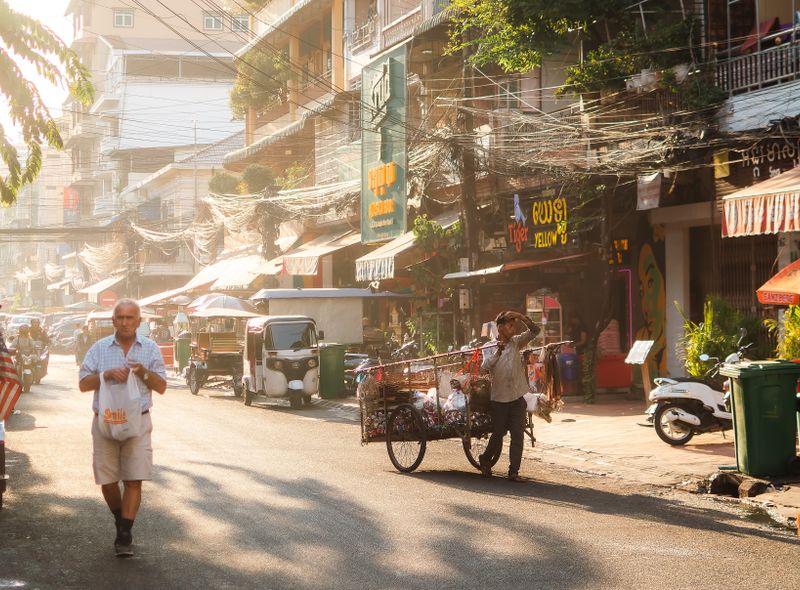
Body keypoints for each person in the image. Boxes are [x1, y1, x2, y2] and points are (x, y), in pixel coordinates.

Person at [78, 299, 167, 557]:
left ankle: (125, 534)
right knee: (107, 480)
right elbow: (83, 383)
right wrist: (105, 375)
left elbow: (161, 387)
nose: (126, 322)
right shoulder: (99, 348)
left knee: (133, 478)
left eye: (131, 318)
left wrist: (142, 372)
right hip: (105, 421)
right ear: (113, 320)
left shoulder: (149, 349)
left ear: (139, 321)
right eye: (121, 318)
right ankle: (121, 519)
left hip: (138, 421)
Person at [479, 310, 540, 481]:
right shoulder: (489, 347)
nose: (513, 329)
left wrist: (522, 317)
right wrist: (498, 352)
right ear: (499, 328)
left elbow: (535, 331)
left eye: (514, 325)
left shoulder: (516, 342)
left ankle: (514, 471)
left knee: (517, 434)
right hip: (499, 399)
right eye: (509, 325)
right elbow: (485, 367)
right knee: (498, 433)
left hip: (517, 397)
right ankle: (485, 459)